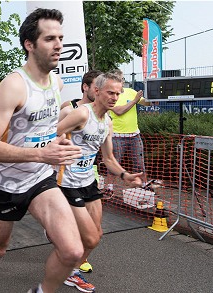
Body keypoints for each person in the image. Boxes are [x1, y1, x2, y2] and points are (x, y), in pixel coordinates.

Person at [0, 8, 83, 293]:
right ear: (30, 44)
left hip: (40, 179)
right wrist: (41, 153)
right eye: (50, 38)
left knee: (72, 251)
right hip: (6, 183)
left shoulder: (58, 82)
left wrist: (65, 136)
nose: (59, 44)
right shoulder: (14, 85)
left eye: (60, 37)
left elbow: (55, 120)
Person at [56, 72, 143, 292]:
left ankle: (71, 268)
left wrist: (125, 175)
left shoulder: (107, 122)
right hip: (66, 182)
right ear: (97, 91)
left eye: (118, 94)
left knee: (97, 235)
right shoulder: (81, 114)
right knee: (89, 236)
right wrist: (60, 147)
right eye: (110, 92)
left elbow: (108, 158)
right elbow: (51, 134)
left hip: (88, 181)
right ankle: (69, 267)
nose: (115, 97)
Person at [58, 69, 103, 274]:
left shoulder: (102, 114)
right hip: (65, 177)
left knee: (96, 231)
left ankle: (77, 262)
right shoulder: (70, 108)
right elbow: (52, 131)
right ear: (86, 87)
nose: (99, 91)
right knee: (76, 229)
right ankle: (69, 267)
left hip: (87, 176)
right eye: (96, 87)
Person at [108, 72, 150, 184]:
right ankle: (109, 187)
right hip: (117, 136)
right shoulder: (111, 95)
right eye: (117, 79)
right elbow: (119, 111)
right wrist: (135, 101)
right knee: (114, 163)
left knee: (140, 163)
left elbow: (146, 103)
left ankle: (144, 185)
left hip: (135, 135)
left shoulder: (131, 92)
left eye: (121, 79)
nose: (120, 82)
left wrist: (154, 97)